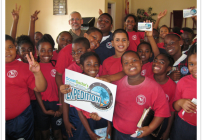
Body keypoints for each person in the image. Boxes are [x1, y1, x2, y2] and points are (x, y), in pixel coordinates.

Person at [112, 51, 170, 140]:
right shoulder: (117, 84)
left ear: (141, 62)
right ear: (122, 67)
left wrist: (150, 128)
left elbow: (162, 112)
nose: (131, 64)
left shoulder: (154, 87)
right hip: (119, 132)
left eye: (134, 60)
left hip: (141, 134)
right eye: (126, 63)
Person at [6, 34, 47, 140]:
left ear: (15, 48)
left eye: (10, 47)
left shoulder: (24, 67)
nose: (7, 51)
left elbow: (40, 88)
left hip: (21, 119)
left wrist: (37, 73)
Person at [62, 52, 111, 140]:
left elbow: (108, 108)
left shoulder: (103, 82)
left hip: (102, 121)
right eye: (88, 64)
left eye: (96, 64)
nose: (92, 67)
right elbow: (80, 112)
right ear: (81, 67)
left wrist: (109, 126)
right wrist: (90, 132)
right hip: (85, 123)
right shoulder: (77, 84)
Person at [34, 34, 63, 140]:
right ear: (37, 52)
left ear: (53, 51)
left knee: (57, 133)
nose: (46, 53)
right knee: (45, 135)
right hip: (42, 106)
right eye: (43, 50)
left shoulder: (56, 66)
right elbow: (36, 91)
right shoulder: (35, 68)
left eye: (49, 50)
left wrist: (60, 106)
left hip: (57, 104)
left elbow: (60, 88)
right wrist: (44, 110)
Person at [170, 43, 197, 140]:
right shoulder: (183, 82)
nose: (195, 68)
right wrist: (181, 102)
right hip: (184, 126)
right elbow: (175, 106)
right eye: (191, 64)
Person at [148, 53, 176, 140]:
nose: (156, 63)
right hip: (144, 119)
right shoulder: (146, 80)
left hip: (161, 123)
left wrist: (167, 130)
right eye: (155, 61)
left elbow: (171, 111)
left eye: (161, 62)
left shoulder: (173, 86)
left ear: (168, 68)